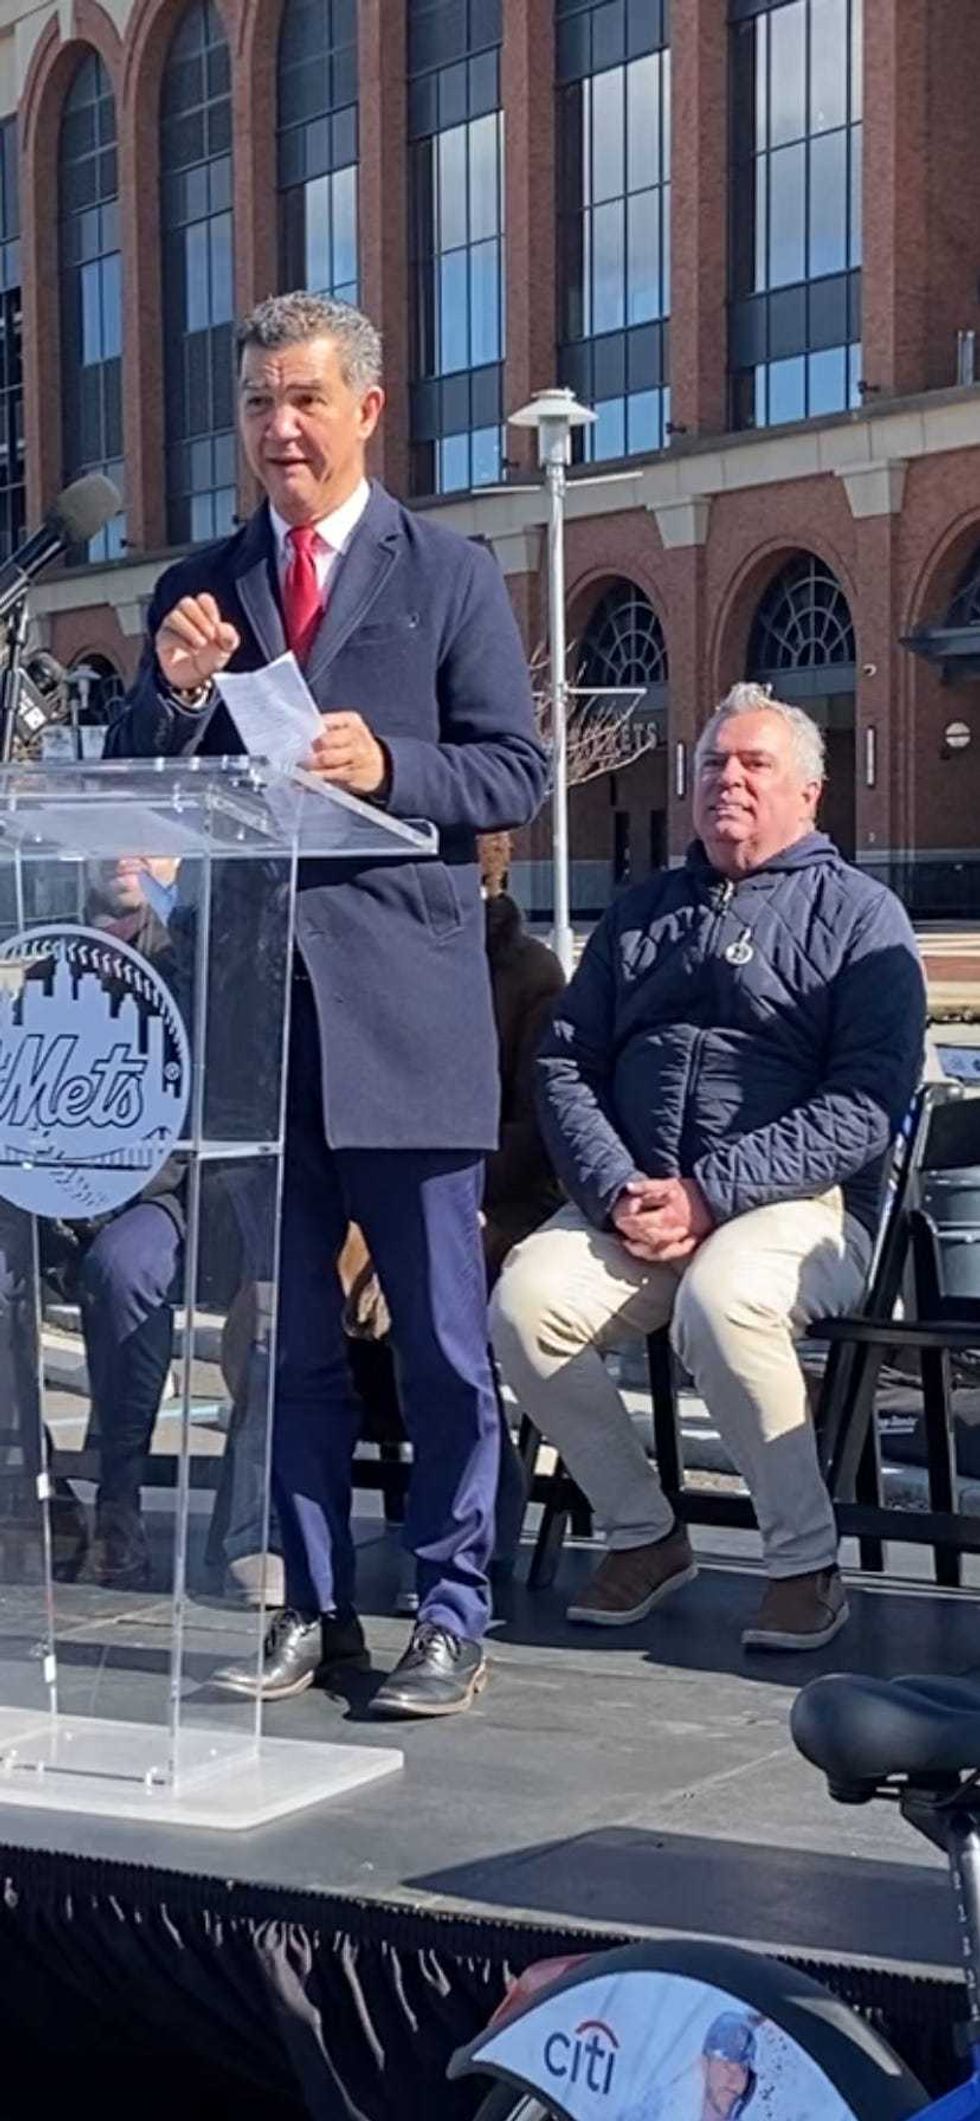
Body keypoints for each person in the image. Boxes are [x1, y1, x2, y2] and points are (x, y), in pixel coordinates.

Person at [104, 291, 548, 1717]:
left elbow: (514, 774)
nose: (277, 429)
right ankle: (306, 1605)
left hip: (405, 1012)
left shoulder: (451, 573)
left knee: (438, 1341)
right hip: (255, 1011)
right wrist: (169, 695)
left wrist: (391, 767)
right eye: (254, 406)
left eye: (303, 400)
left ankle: (452, 1607)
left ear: (367, 406)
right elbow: (133, 784)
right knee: (283, 1337)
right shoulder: (208, 581)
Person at [491, 684, 926, 1653]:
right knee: (522, 1306)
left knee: (722, 1301)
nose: (726, 779)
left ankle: (804, 1563)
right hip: (637, 1196)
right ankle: (644, 1533)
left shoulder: (861, 919)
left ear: (809, 793)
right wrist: (613, 1189)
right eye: (711, 765)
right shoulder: (644, 913)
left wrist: (711, 1193)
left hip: (798, 1207)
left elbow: (862, 1105)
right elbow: (564, 1061)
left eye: (752, 764)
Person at [339, 830, 565, 1605]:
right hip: (382, 1191)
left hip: (498, 1202)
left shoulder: (531, 977)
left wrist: (455, 1188)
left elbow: (540, 1131)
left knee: (430, 1287)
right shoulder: (376, 970)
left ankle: (467, 1532)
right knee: (280, 1303)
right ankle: (270, 1530)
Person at [622, 2012, 757, 2121]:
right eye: (726, 2065)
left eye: (743, 2069)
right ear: (704, 2064)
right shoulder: (656, 2112)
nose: (734, 2080)